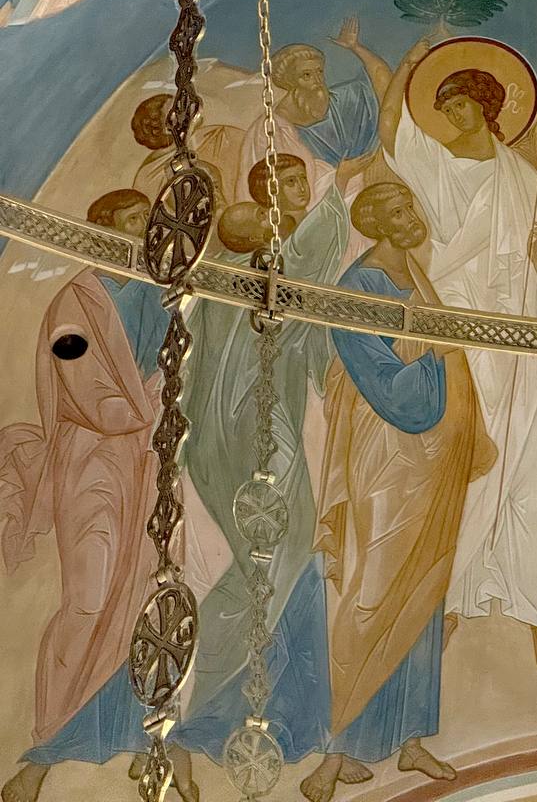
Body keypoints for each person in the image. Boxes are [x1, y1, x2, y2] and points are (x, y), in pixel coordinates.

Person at [381, 36, 537, 672]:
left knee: (530, 467)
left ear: (486, 106)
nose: (451, 114)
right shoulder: (438, 167)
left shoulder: (525, 181)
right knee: (476, 457)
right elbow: (393, 132)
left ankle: (527, 608)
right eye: (443, 107)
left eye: (460, 103)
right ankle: (455, 596)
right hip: (464, 332)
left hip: (519, 333)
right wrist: (403, 62)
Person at [0, 190, 198, 802]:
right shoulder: (74, 304)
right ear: (102, 228)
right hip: (91, 463)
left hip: (148, 464)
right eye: (134, 222)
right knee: (89, 599)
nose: (144, 234)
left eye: (148, 224)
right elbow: (85, 384)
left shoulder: (163, 298)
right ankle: (46, 748)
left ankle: (142, 739)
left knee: (145, 597)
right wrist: (150, 404)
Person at [302, 183, 495, 801]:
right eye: (400, 212)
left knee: (425, 588)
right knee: (374, 589)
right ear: (375, 222)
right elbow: (380, 378)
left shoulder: (412, 272)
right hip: (386, 450)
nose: (414, 218)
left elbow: (446, 355)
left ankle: (409, 737)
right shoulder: (358, 286)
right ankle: (336, 748)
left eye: (412, 207)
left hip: (435, 453)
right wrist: (430, 347)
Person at [174, 166, 350, 767]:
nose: (278, 220)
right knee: (279, 547)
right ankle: (211, 703)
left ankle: (284, 714)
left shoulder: (231, 281)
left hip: (238, 440)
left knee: (287, 556)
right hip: (249, 443)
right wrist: (339, 192)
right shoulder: (248, 278)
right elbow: (307, 257)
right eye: (266, 219)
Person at [237, 19, 388, 206]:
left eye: (319, 72)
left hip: (364, 196)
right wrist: (342, 176)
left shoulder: (343, 100)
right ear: (289, 81)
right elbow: (281, 195)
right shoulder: (272, 130)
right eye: (306, 75)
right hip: (321, 210)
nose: (317, 80)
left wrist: (356, 47)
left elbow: (385, 89)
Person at [129, 93, 239, 209]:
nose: (188, 109)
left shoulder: (217, 135)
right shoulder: (150, 174)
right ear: (164, 128)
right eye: (177, 110)